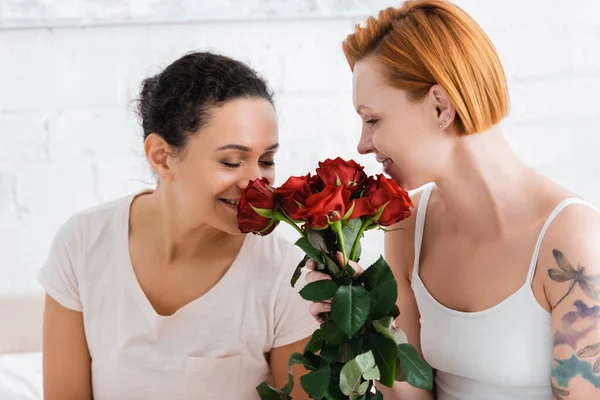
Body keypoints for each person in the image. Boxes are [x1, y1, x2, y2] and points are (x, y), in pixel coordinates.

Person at [306, 1, 600, 399]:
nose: (362, 144)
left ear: (440, 106)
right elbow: (412, 393)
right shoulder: (409, 224)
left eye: (373, 119)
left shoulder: (572, 243)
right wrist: (371, 327)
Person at [38, 51, 318, 400]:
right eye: (232, 162)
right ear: (162, 156)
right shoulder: (81, 245)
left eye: (266, 161)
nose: (256, 183)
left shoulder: (288, 274)